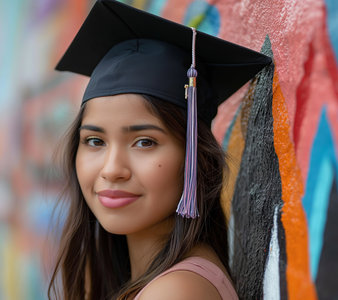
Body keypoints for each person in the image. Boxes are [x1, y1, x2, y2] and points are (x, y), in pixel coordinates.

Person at [48, 1, 271, 299]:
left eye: (145, 142)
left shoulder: (175, 291)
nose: (112, 168)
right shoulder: (155, 280)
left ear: (196, 160)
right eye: (95, 141)